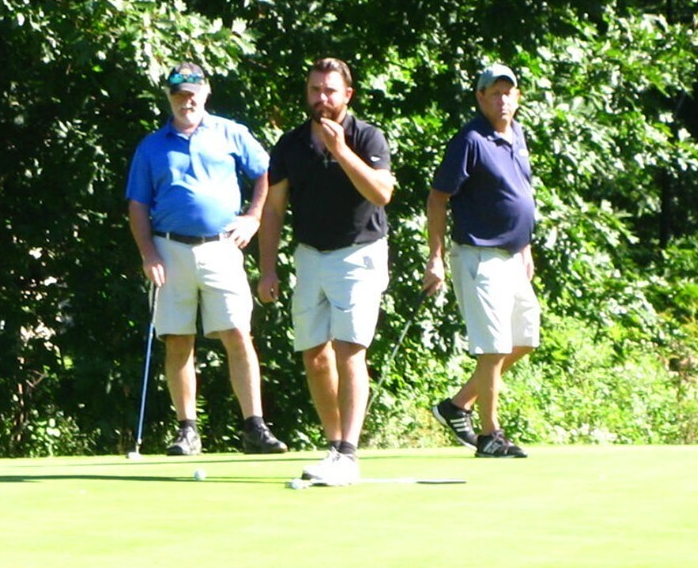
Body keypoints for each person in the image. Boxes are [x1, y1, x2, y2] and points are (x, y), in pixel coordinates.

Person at [125, 62, 287, 456]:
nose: (187, 101)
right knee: (178, 339)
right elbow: (137, 205)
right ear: (169, 97)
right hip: (169, 250)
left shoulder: (231, 133)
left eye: (193, 93)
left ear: (206, 92)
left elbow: (267, 172)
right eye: (179, 94)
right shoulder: (151, 146)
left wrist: (253, 217)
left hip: (222, 245)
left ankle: (254, 427)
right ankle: (187, 430)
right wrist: (148, 254)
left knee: (237, 333)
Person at [258, 58, 395, 485]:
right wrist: (267, 269)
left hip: (358, 252)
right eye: (315, 90)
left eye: (330, 91)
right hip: (309, 256)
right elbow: (273, 208)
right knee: (314, 354)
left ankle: (348, 453)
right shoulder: (291, 144)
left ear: (347, 95)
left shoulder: (366, 136)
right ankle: (334, 447)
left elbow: (382, 192)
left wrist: (341, 152)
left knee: (349, 349)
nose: (322, 98)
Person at [423, 64, 538, 458]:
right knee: (492, 347)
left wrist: (525, 247)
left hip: (512, 255)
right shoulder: (470, 140)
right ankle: (491, 435)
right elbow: (438, 197)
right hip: (478, 254)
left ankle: (457, 406)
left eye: (508, 92)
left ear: (517, 97)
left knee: (524, 339)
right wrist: (435, 257)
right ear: (481, 97)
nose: (502, 99)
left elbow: (520, 192)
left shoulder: (516, 135)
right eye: (494, 93)